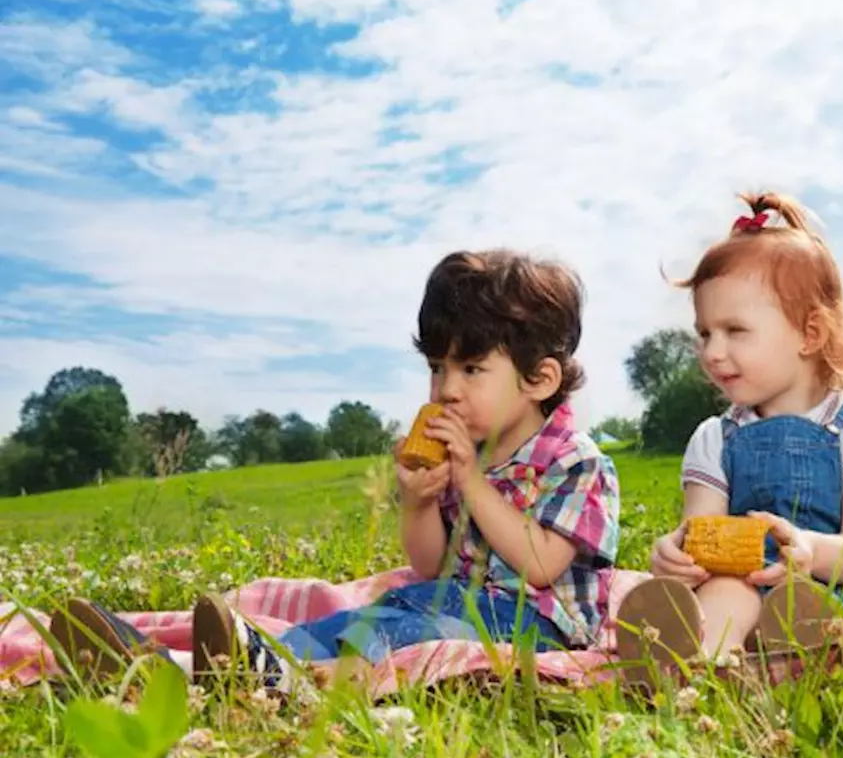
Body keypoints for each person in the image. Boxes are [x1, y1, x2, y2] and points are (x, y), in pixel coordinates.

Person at [52, 249, 621, 690]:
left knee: (398, 639)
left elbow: (541, 565)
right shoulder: (463, 451)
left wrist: (471, 484)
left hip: (539, 627)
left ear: (539, 379)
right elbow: (432, 567)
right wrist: (420, 502)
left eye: (471, 369)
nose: (446, 389)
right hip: (450, 600)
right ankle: (175, 666)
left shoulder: (574, 460)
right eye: (436, 367)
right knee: (362, 621)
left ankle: (270, 683)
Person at [615, 192, 843, 681]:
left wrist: (808, 549)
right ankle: (703, 669)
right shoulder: (715, 438)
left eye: (734, 330)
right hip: (741, 586)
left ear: (809, 334)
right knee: (725, 591)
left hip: (836, 590)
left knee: (828, 623)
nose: (712, 352)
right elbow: (701, 531)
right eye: (704, 334)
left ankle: (774, 661)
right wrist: (674, 555)